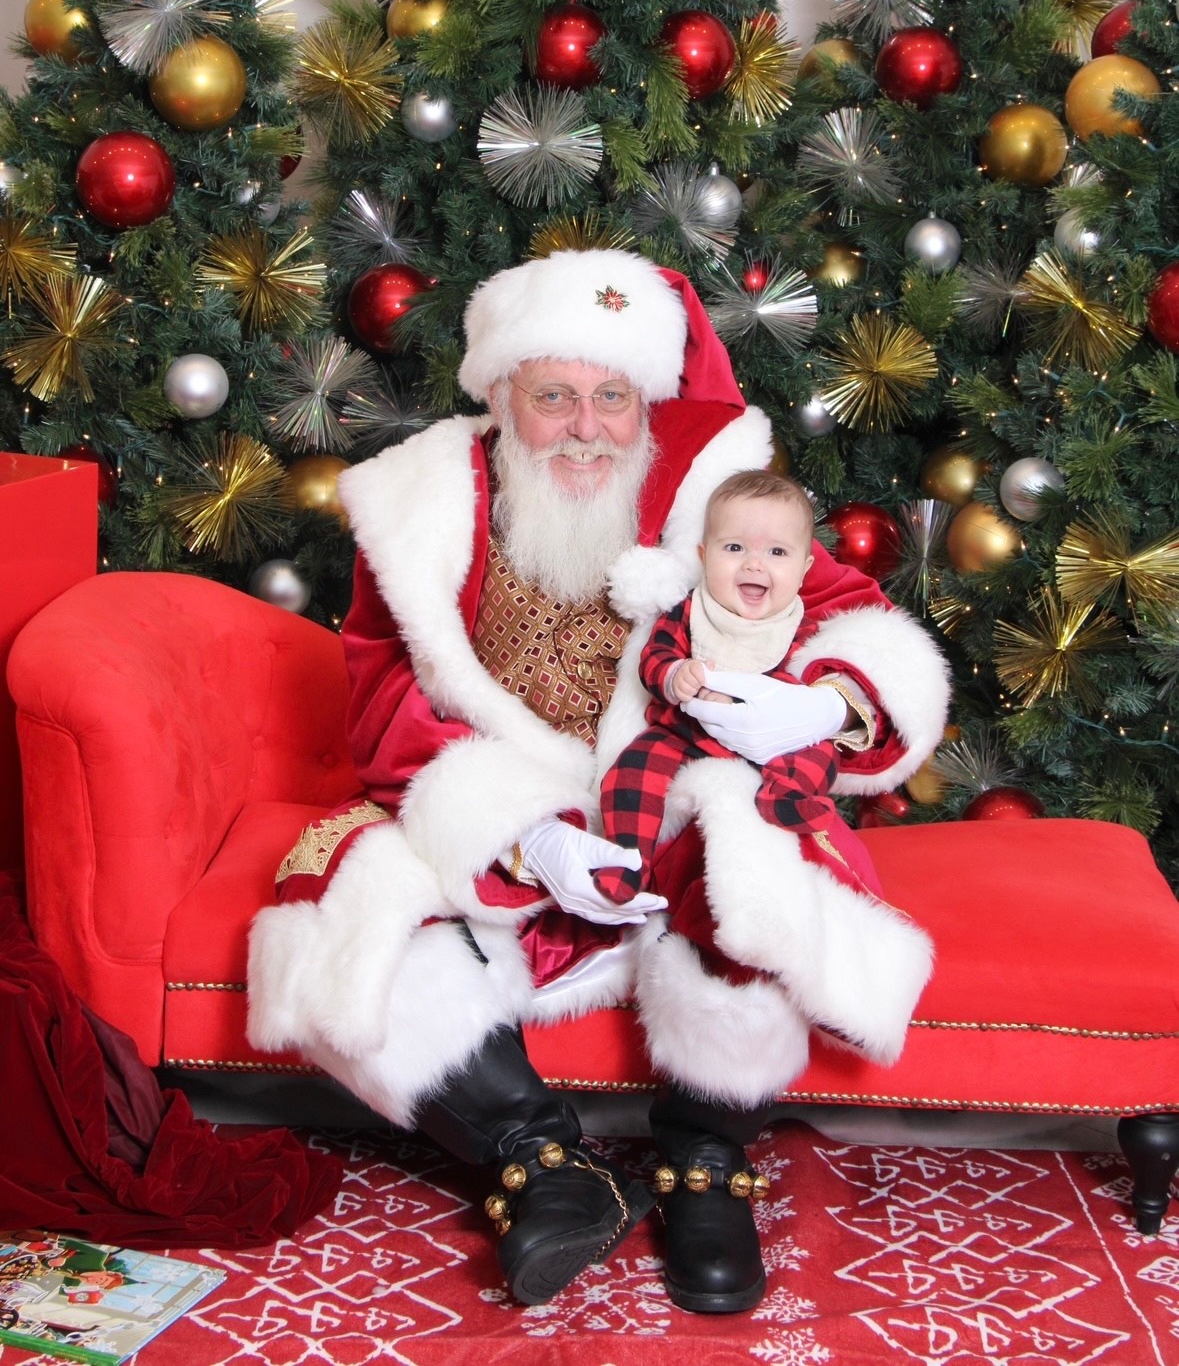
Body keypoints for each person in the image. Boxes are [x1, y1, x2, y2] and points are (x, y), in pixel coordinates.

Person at [247, 248, 949, 1316]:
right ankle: (545, 1166)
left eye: (612, 396)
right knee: (347, 904)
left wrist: (831, 700)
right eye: (555, 396)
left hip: (661, 789)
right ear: (499, 394)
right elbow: (384, 696)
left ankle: (704, 1157)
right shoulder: (423, 505)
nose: (586, 425)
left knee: (750, 856)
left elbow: (848, 604)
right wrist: (527, 835)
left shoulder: (705, 481)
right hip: (498, 795)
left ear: (646, 399)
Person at [594, 469, 884, 906]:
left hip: (769, 747)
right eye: (733, 548)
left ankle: (787, 796)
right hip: (684, 734)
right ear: (704, 555)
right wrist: (675, 676)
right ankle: (626, 862)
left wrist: (798, 708)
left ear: (805, 568)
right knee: (632, 768)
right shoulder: (691, 611)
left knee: (819, 752)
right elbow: (654, 658)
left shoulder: (800, 627)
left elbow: (807, 685)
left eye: (777, 551)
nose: (754, 563)